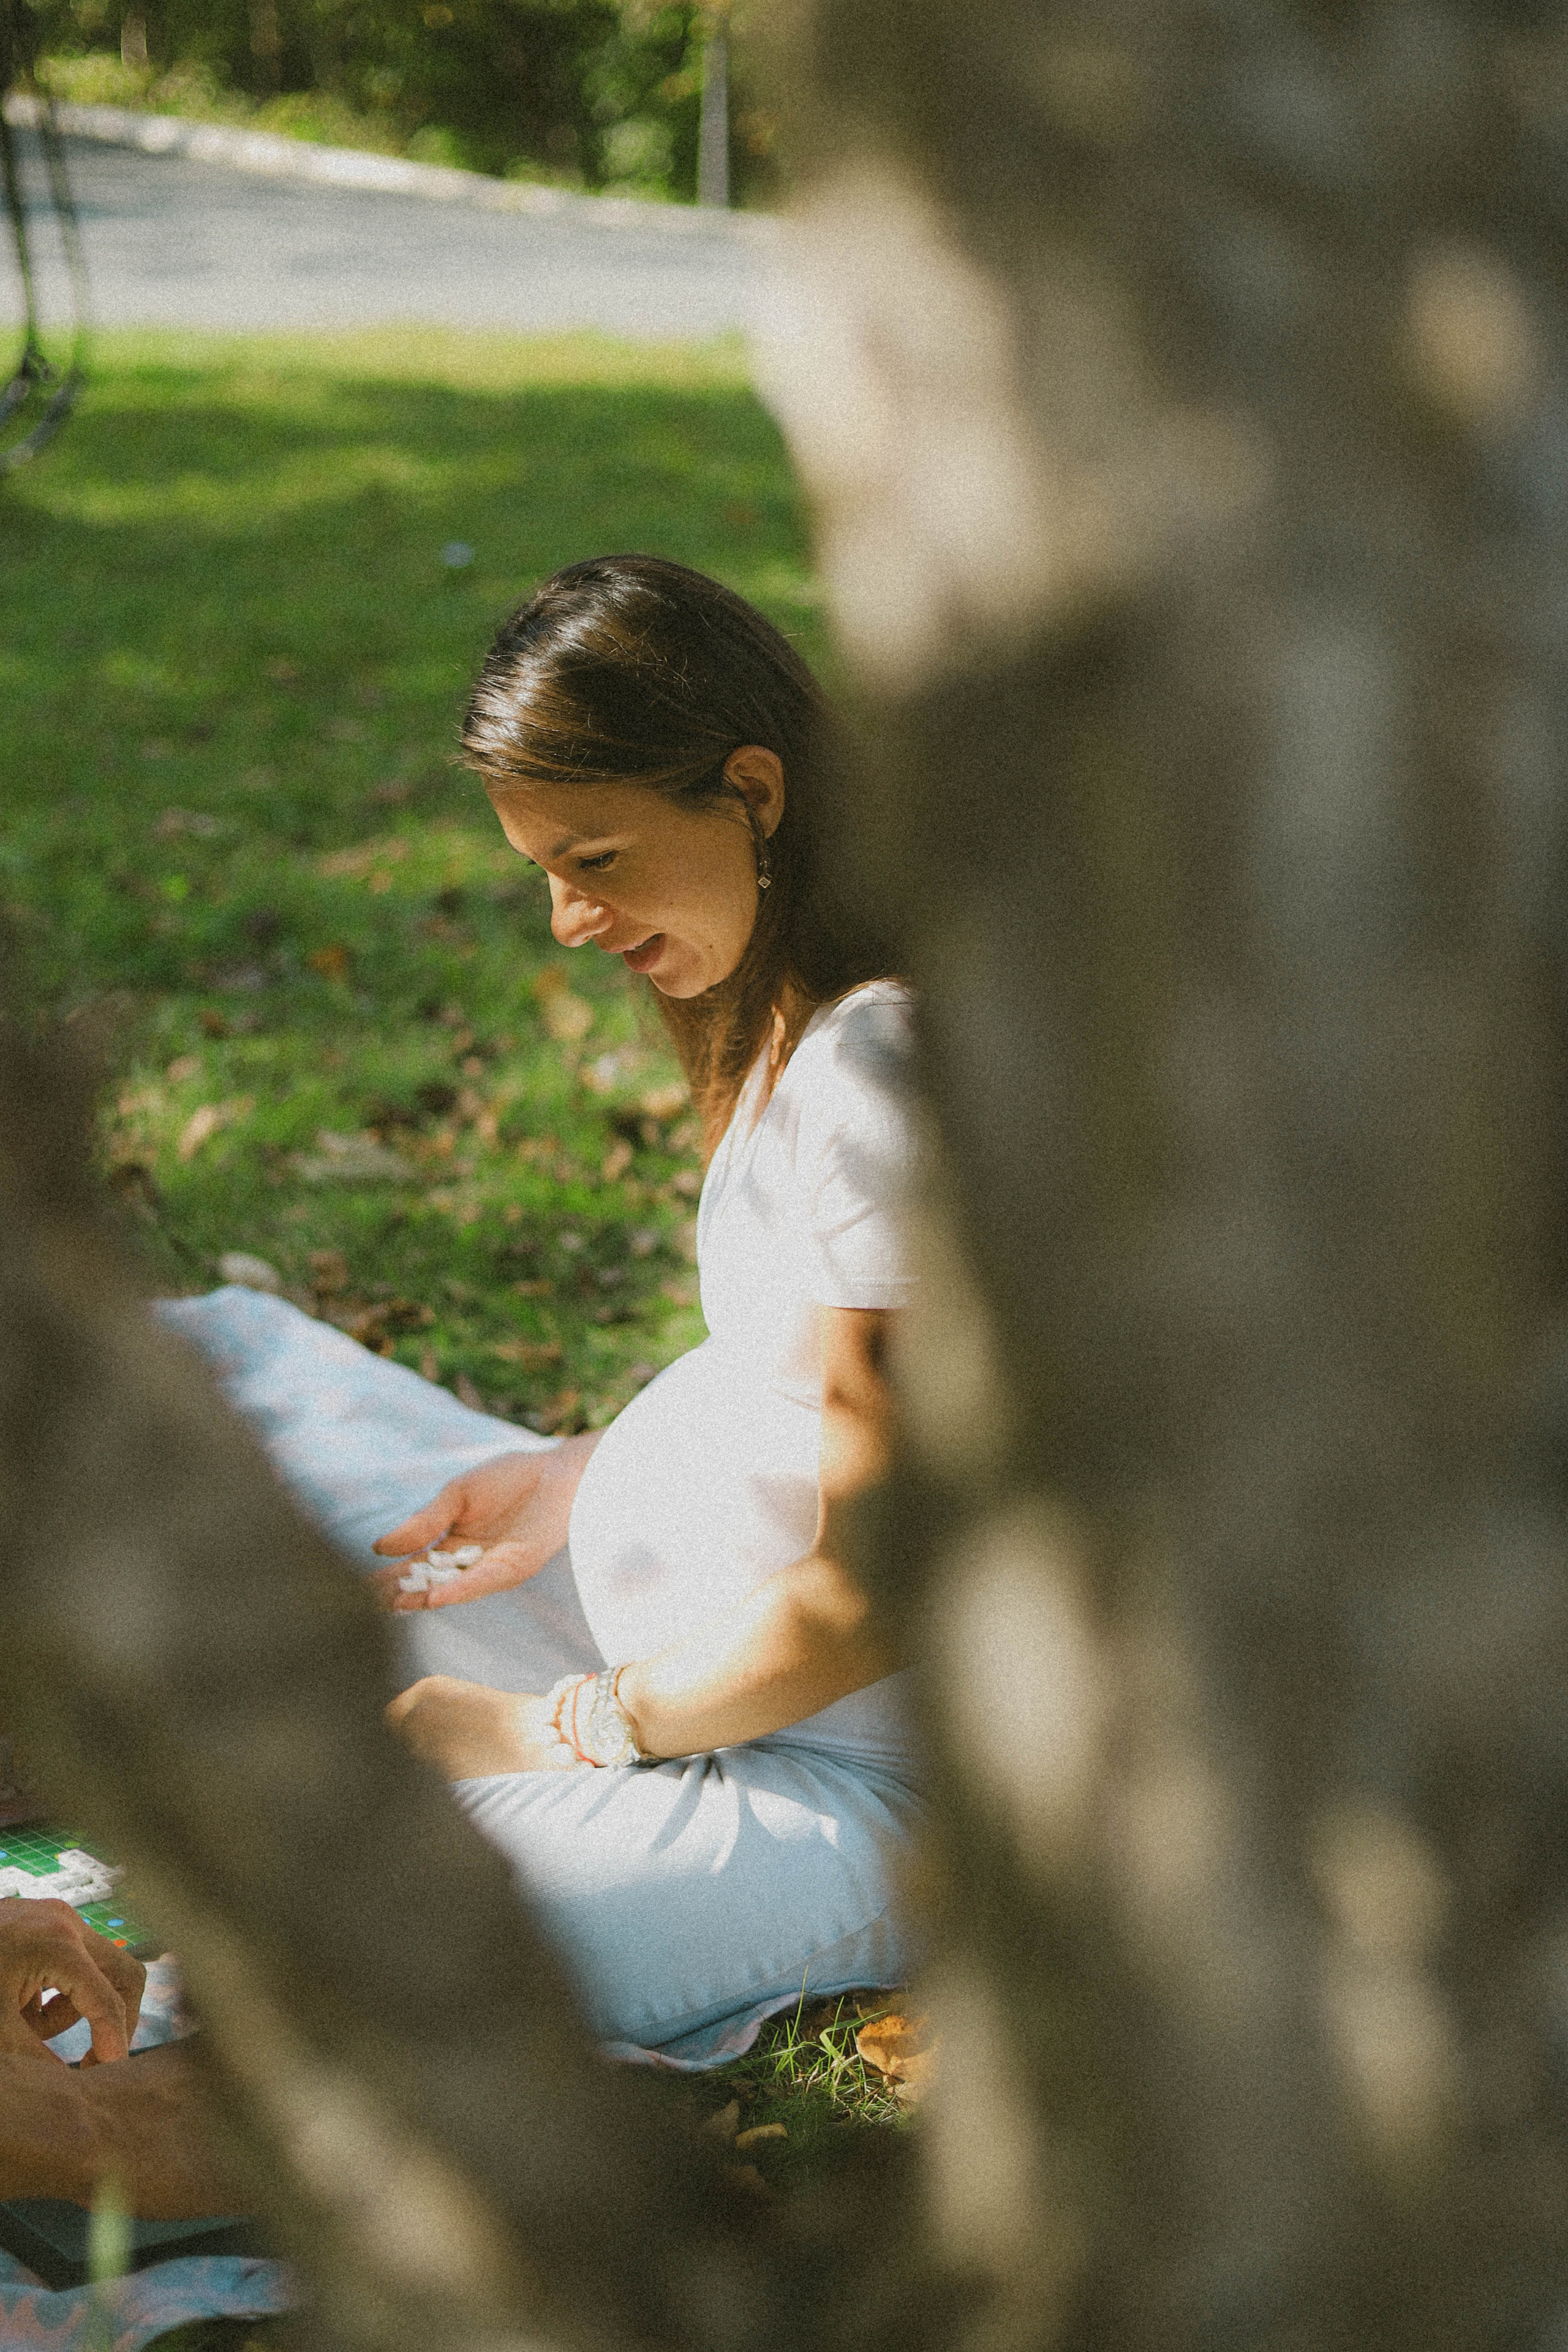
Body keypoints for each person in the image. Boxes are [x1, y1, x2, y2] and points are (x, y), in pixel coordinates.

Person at [165, 554, 925, 2065]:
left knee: (357, 1989)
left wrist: (560, 1730)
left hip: (854, 1773)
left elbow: (881, 1581)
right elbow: (826, 1382)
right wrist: (595, 1470)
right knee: (218, 1610)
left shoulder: (878, 1073)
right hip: (677, 1658)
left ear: (754, 795)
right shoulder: (790, 1011)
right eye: (543, 873)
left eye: (598, 860)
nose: (569, 923)